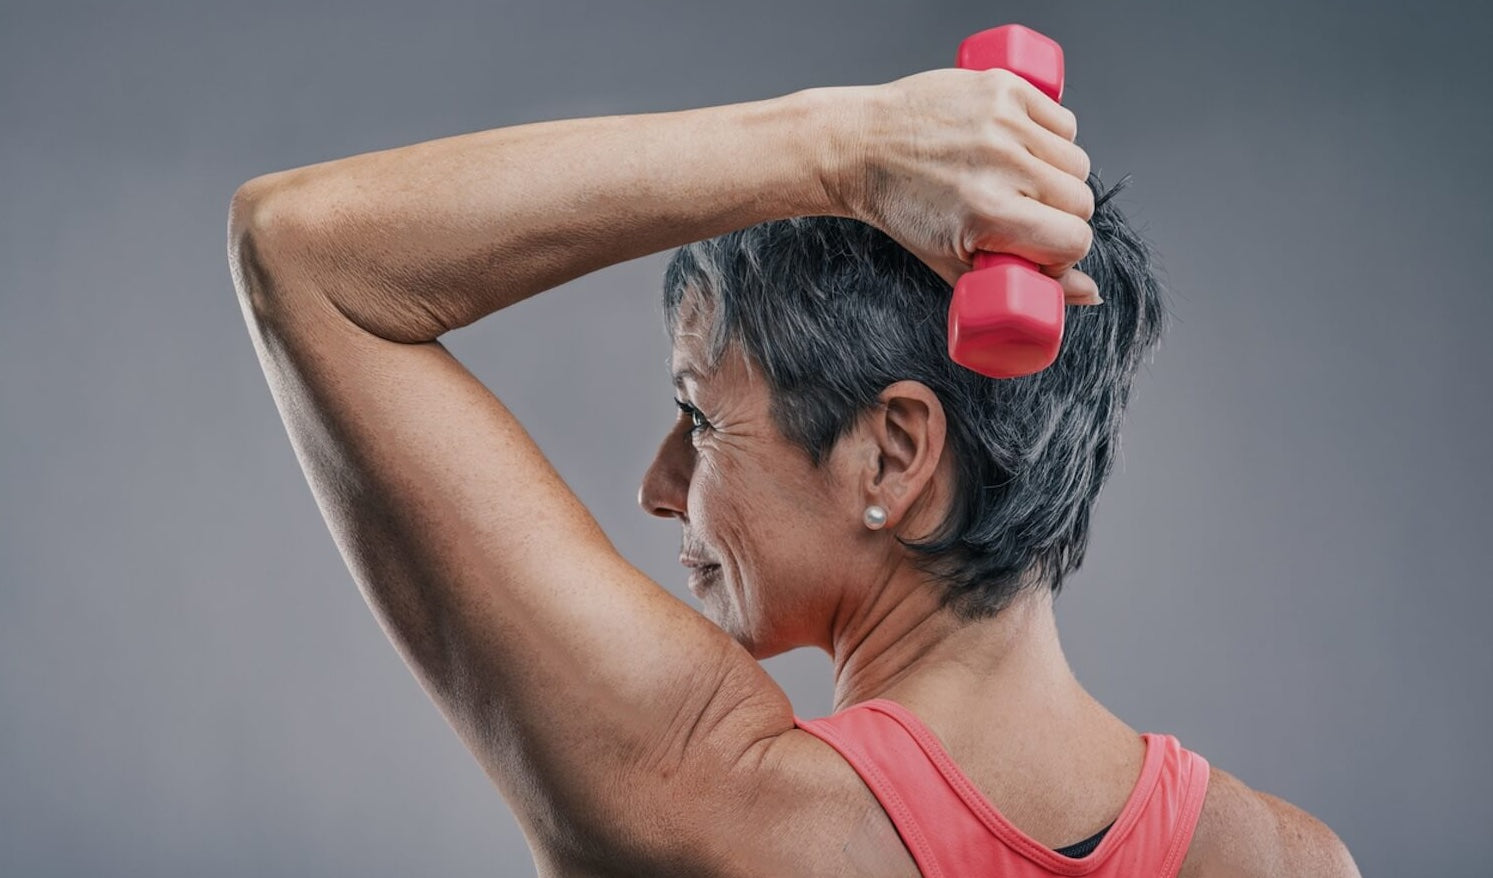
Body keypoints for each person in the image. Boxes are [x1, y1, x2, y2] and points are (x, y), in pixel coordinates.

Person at [227, 62, 1360, 876]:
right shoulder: (1290, 859)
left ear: (893, 450)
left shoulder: (725, 810)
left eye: (698, 417)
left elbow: (302, 248)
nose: (658, 483)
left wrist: (843, 146)